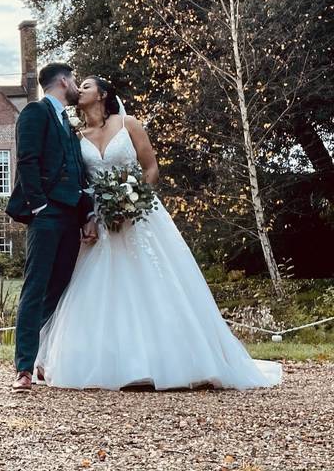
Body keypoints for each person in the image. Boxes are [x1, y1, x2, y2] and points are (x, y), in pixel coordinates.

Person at [34, 76, 282, 390]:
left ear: (104, 93)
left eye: (86, 85)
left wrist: (133, 200)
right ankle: (110, 365)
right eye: (77, 85)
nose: (79, 89)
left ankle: (173, 362)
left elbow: (151, 168)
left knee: (155, 281)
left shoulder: (129, 124)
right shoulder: (76, 135)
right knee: (100, 289)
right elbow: (80, 183)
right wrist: (93, 215)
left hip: (140, 215)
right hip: (100, 220)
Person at [6, 62, 96, 393]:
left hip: (72, 217)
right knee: (35, 288)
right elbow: (26, 160)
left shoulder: (69, 124)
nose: (76, 87)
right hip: (47, 216)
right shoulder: (35, 113)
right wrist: (40, 207)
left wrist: (87, 215)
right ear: (62, 81)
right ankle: (24, 369)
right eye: (74, 81)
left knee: (57, 289)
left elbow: (79, 173)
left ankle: (42, 357)